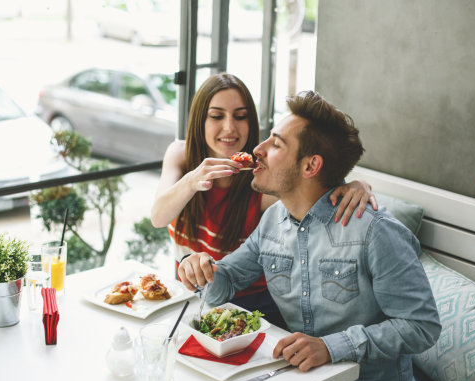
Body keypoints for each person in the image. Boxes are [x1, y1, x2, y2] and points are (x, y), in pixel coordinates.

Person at [177, 90, 441, 381]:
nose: (257, 150)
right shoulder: (273, 219)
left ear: (310, 165)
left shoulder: (376, 233)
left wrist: (331, 346)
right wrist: (202, 268)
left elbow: (421, 327)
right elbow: (229, 279)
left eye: (275, 144)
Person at [151, 73, 377, 328]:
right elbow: (158, 217)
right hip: (193, 292)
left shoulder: (264, 179)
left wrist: (355, 185)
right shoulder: (180, 155)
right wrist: (193, 181)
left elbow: (313, 188)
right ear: (199, 121)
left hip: (252, 303)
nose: (229, 128)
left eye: (240, 116)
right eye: (216, 116)